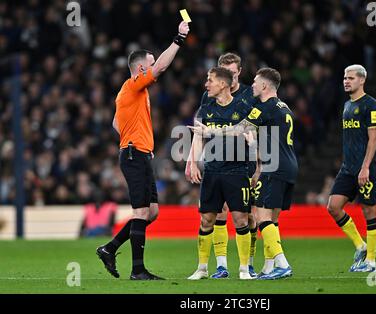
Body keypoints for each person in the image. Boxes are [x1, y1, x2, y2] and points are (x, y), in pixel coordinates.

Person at [96, 20, 190, 280]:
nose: (153, 67)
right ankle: (138, 271)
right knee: (140, 212)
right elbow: (160, 67)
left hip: (137, 152)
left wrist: (130, 136)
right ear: (140, 69)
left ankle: (110, 248)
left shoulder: (131, 93)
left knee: (152, 212)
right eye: (149, 63)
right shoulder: (133, 85)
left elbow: (116, 122)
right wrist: (178, 39)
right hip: (133, 153)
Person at [190, 67, 299, 280]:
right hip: (287, 163)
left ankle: (281, 264)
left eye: (256, 82)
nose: (253, 86)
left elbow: (240, 129)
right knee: (271, 219)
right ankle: (269, 267)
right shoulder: (283, 107)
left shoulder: (261, 107)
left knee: (260, 217)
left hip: (270, 166)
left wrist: (211, 131)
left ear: (265, 86)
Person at [185, 53, 260, 279]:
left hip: (237, 169)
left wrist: (256, 165)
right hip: (212, 169)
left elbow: (251, 133)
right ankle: (203, 268)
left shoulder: (244, 104)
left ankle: (246, 268)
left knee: (241, 218)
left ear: (223, 84)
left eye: (210, 80)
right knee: (208, 218)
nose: (206, 84)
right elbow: (198, 136)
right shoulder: (207, 107)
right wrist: (194, 162)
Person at [327, 64, 376, 272]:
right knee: (333, 206)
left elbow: (374, 137)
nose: (346, 81)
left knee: (369, 210)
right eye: (344, 77)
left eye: (350, 78)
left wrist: (365, 167)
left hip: (367, 168)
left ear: (362, 80)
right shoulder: (347, 105)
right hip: (348, 168)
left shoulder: (371, 104)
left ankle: (370, 262)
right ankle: (360, 246)